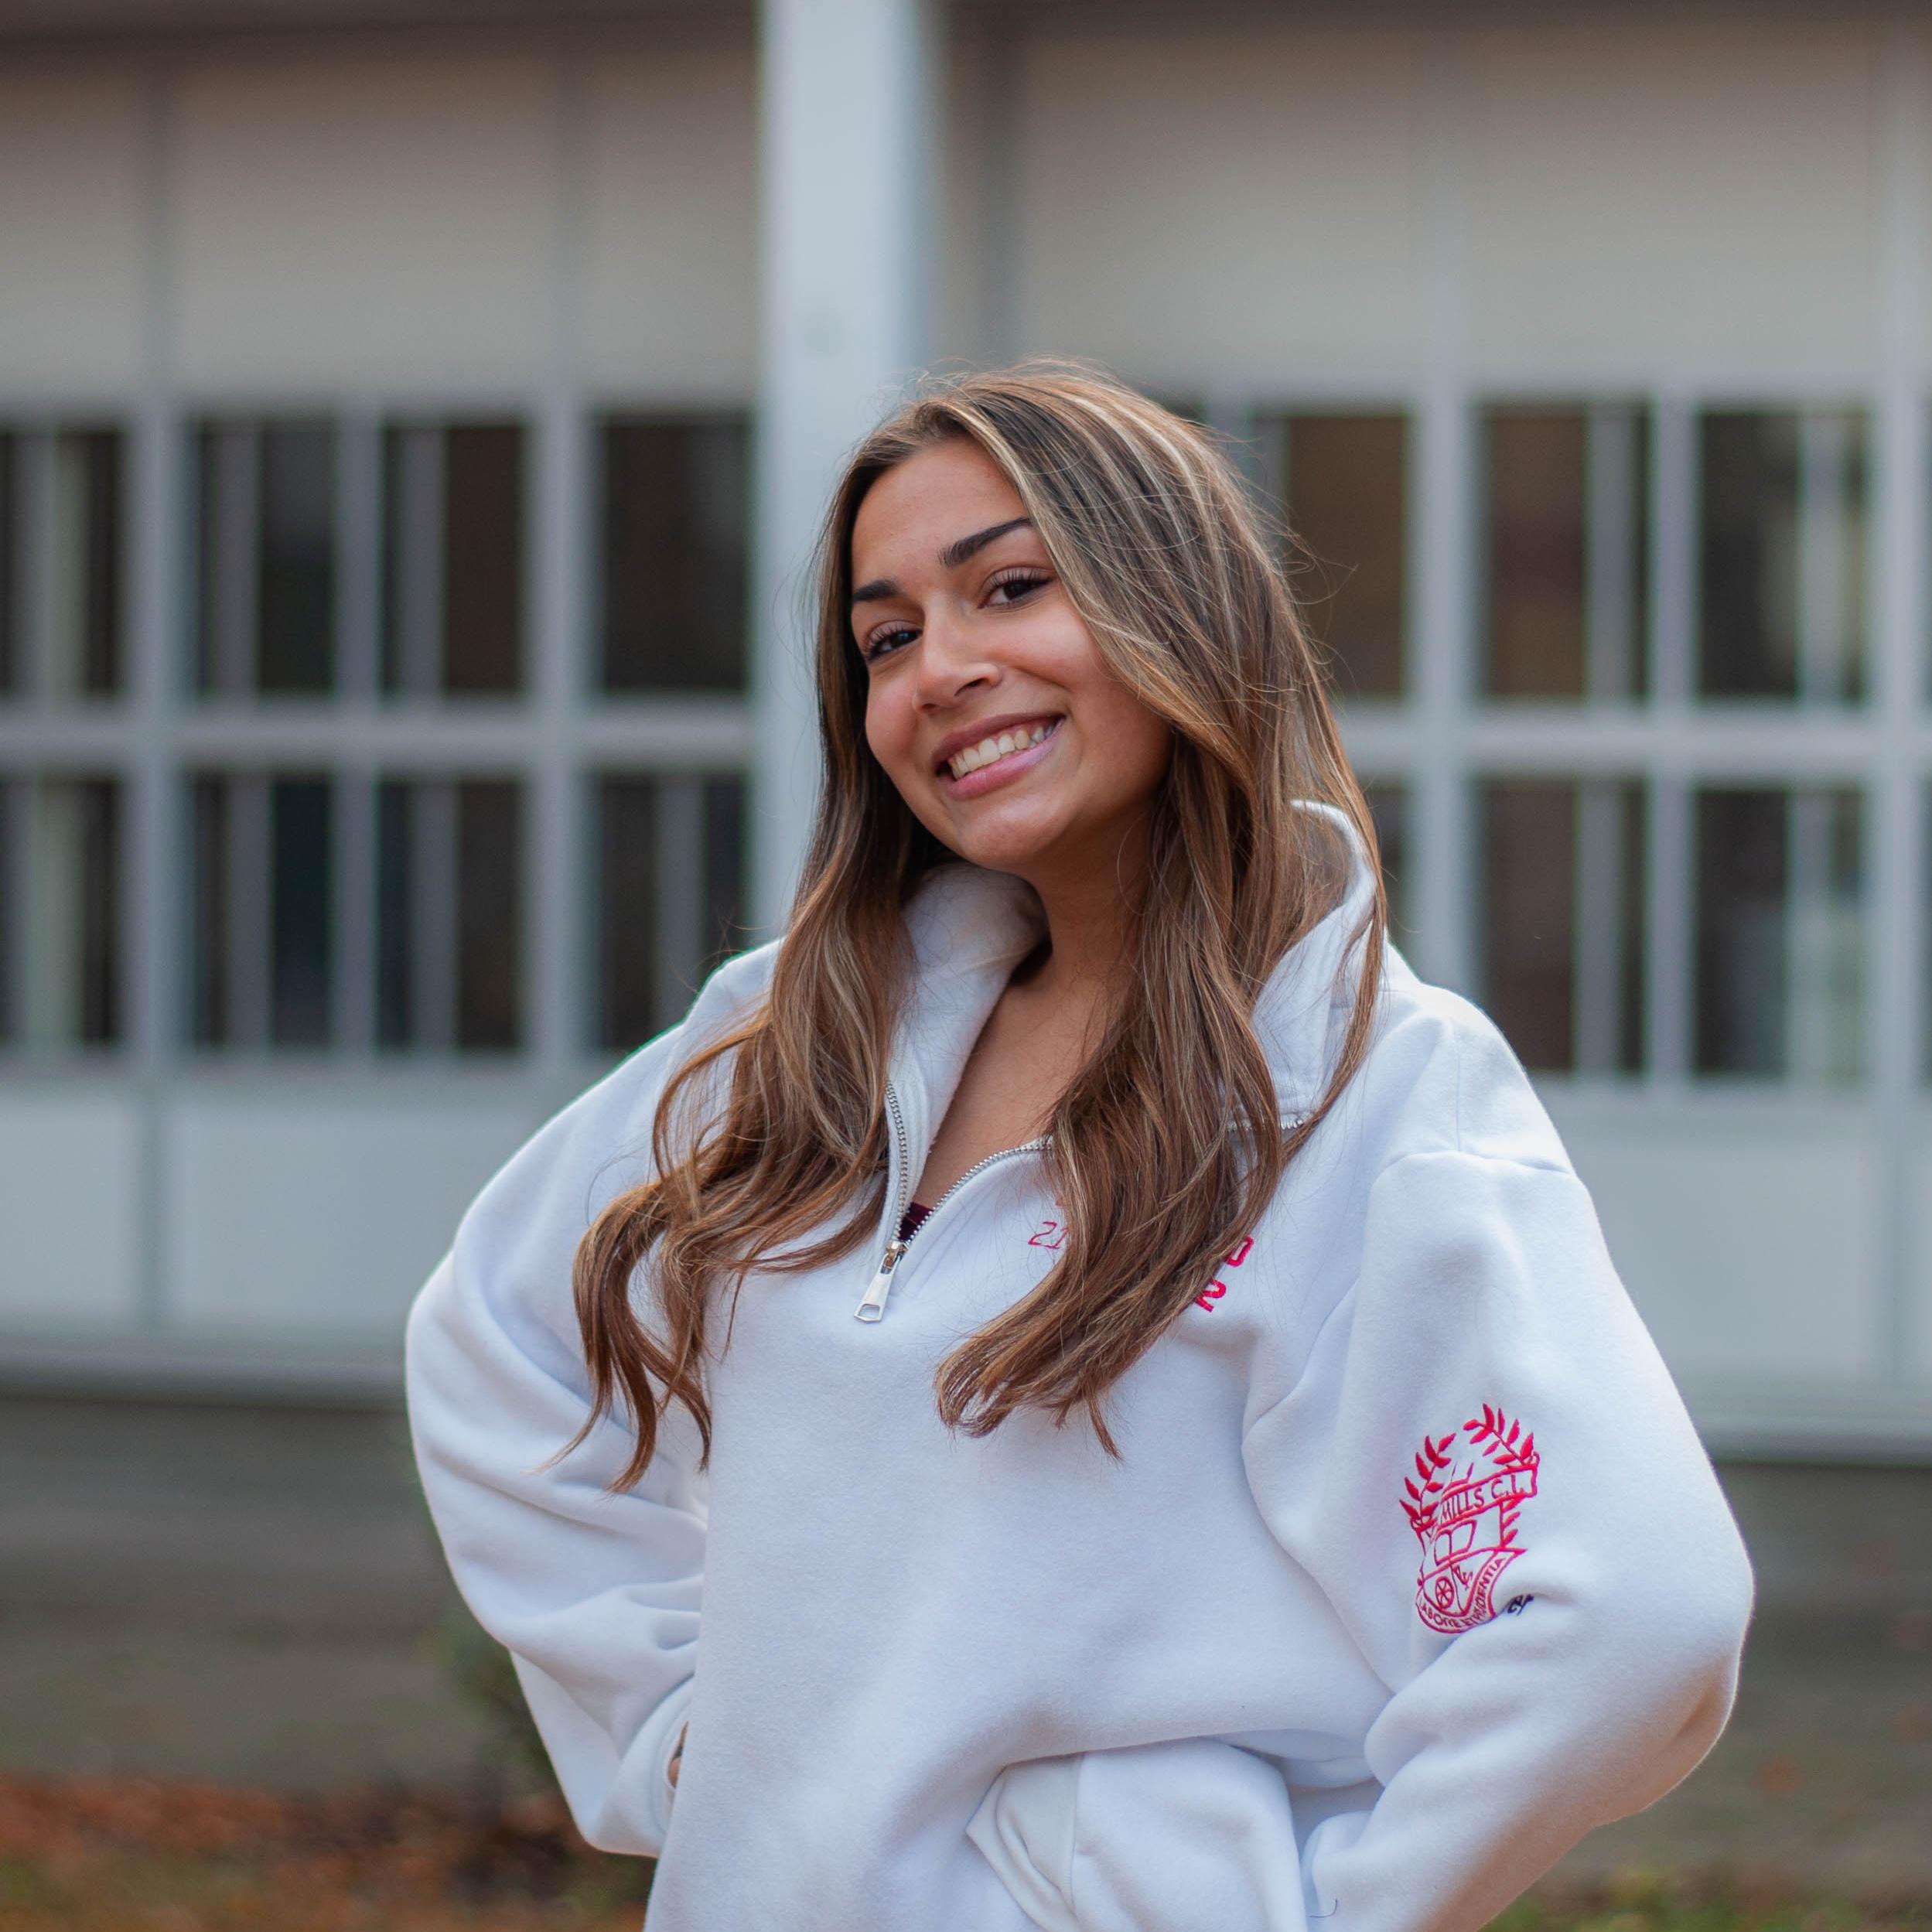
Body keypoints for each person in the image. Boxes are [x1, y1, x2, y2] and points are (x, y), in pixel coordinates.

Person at [404, 363, 1755, 1932]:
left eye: (1010, 587)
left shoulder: (1368, 1095)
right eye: (886, 638)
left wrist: (1306, 1909)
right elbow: (498, 1343)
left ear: (1177, 606)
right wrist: (682, 1736)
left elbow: (1631, 1615)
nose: (942, 669)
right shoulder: (807, 1039)